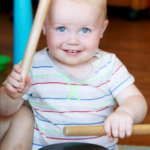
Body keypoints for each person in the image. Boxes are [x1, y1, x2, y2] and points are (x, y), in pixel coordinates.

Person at [0, 0, 147, 150]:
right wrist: (10, 96)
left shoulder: (109, 66)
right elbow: (4, 111)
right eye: (61, 28)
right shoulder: (32, 65)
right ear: (43, 26)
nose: (72, 41)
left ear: (102, 29)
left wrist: (126, 112)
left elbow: (135, 99)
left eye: (85, 30)